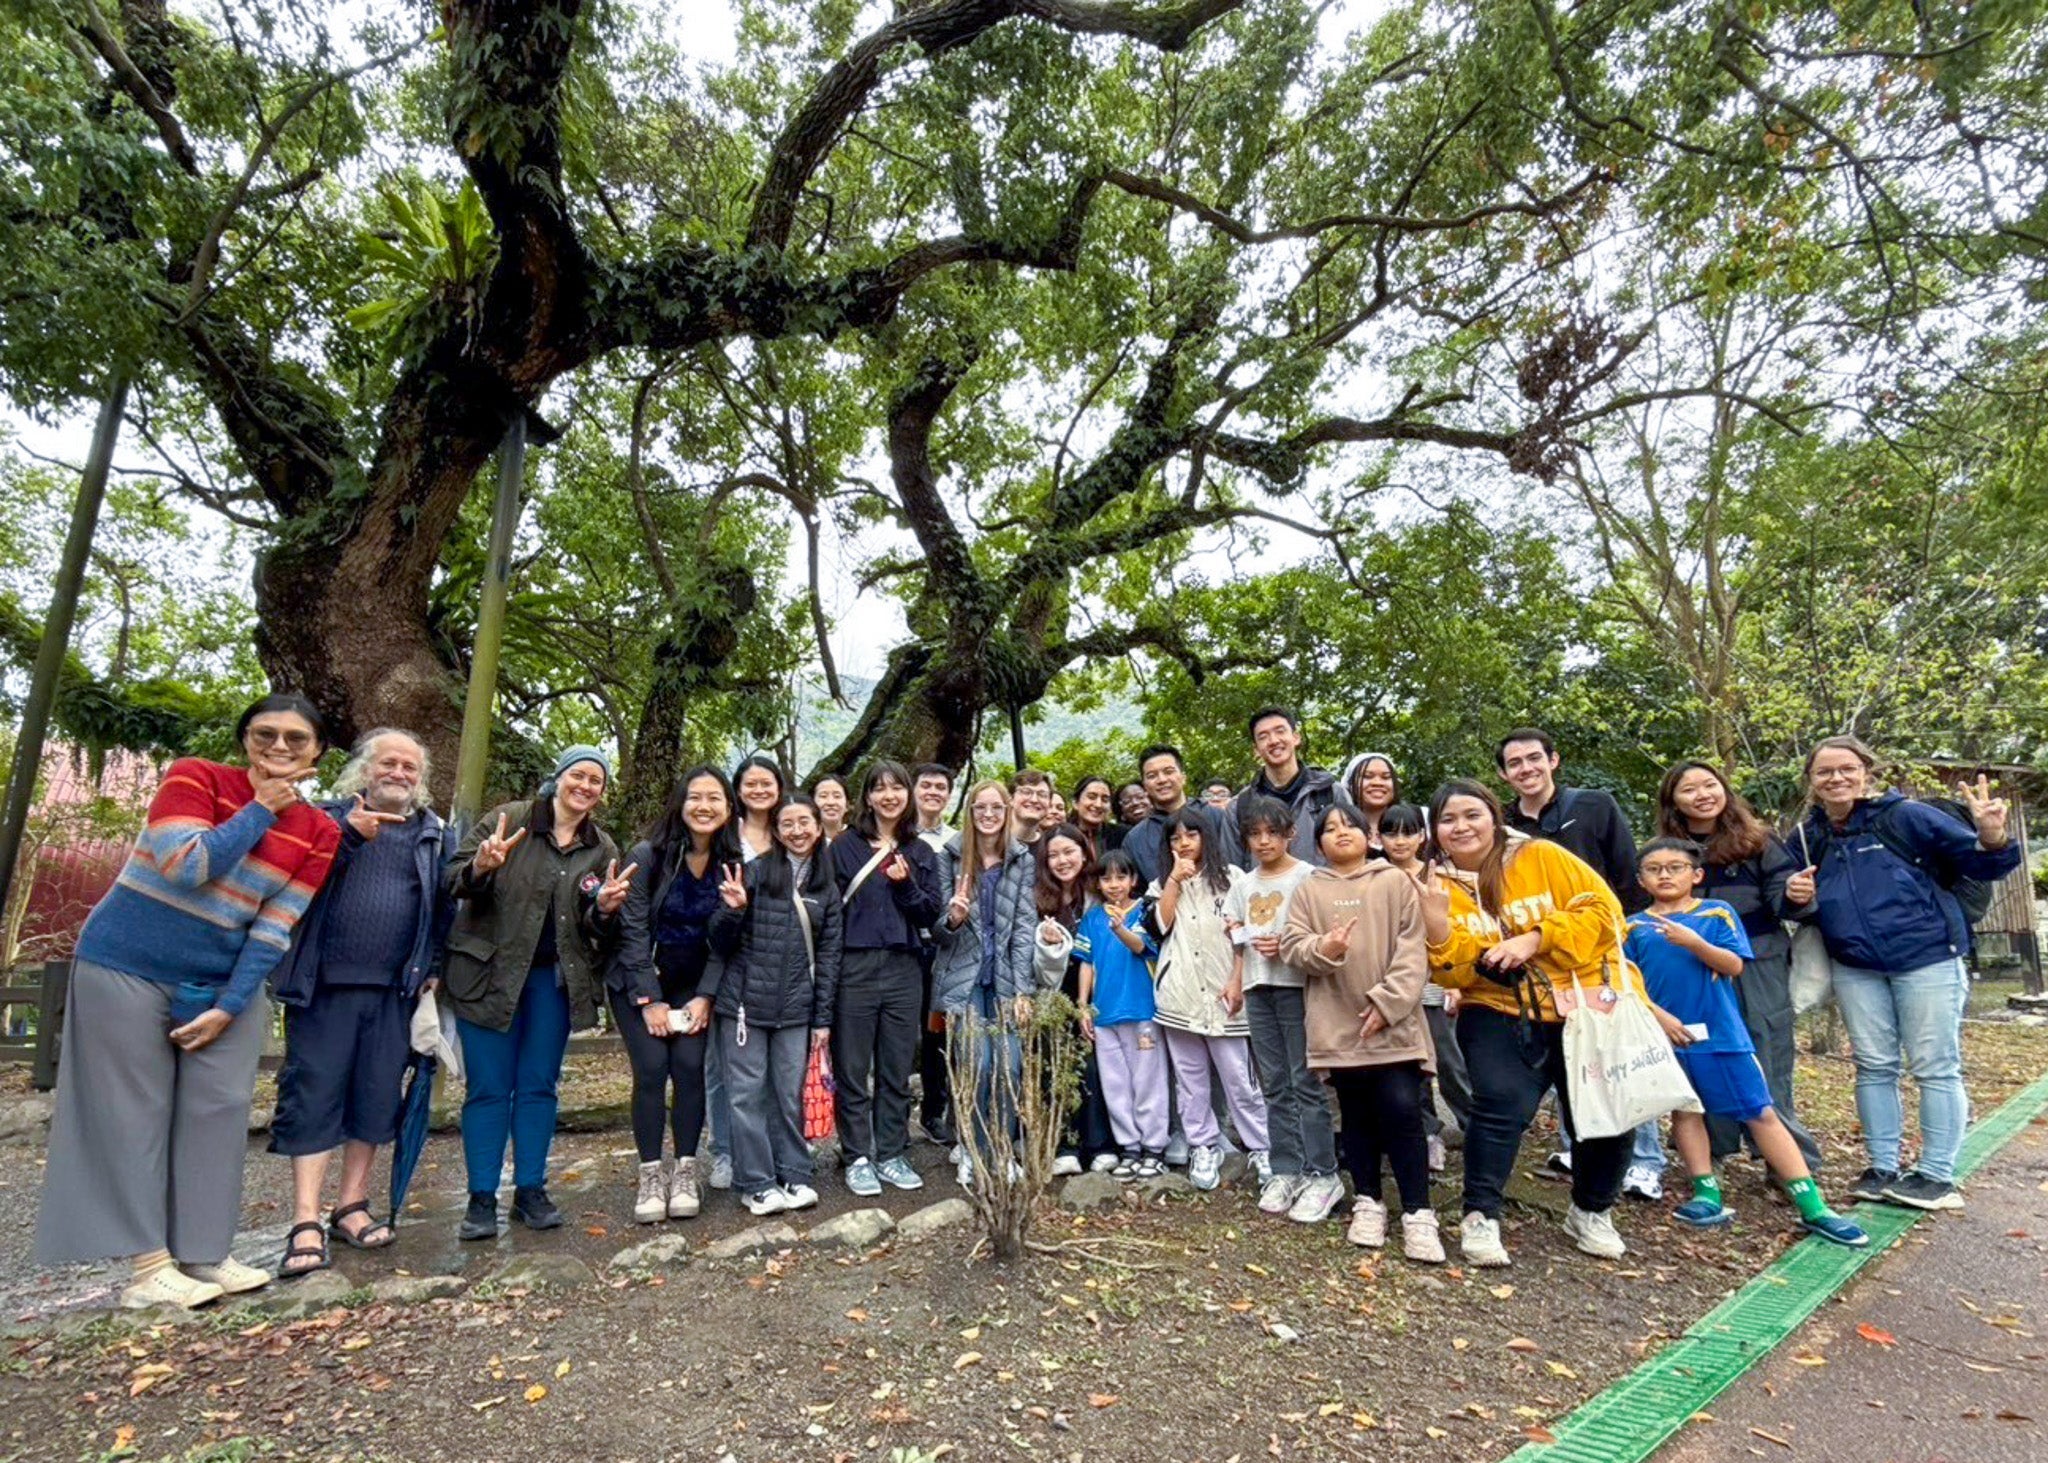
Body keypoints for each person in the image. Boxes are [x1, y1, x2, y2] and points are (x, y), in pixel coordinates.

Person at [36, 693, 341, 1309]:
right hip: (126, 962)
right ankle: (149, 1267)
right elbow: (184, 865)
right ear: (245, 739)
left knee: (219, 1108)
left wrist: (230, 1005)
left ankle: (204, 1252)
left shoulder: (320, 830)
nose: (279, 747)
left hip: (219, 978)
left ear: (318, 752)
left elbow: (275, 924)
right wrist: (260, 809)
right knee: (133, 1109)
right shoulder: (194, 778)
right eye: (266, 734)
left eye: (296, 739)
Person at [1790, 738, 2017, 1211]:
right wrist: (1791, 892)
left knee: (1935, 1066)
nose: (1836, 779)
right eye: (1824, 772)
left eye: (1846, 769)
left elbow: (1984, 862)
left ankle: (1935, 1173)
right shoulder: (1808, 836)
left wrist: (1992, 834)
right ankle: (1882, 1167)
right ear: (1810, 780)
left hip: (1927, 956)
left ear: (1865, 771)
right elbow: (1788, 895)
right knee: (1873, 1066)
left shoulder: (1905, 817)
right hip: (1856, 964)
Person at [1419, 778, 1637, 1266]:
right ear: (1436, 830)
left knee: (1603, 1113)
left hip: (1585, 1004)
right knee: (1500, 1106)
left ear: (1494, 817)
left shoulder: (1540, 857)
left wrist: (1535, 938)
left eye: (1472, 814)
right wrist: (1435, 924)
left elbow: (1606, 913)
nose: (1461, 827)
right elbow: (1450, 969)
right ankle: (1480, 1214)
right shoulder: (1438, 885)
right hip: (1498, 1008)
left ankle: (1591, 1209)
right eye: (1448, 819)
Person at [268, 728, 448, 1277]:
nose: (398, 773)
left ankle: (351, 1204)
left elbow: (442, 909)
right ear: (365, 770)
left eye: (409, 768)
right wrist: (346, 837)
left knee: (375, 1097)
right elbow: (292, 883)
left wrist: (433, 968)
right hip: (324, 983)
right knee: (315, 1091)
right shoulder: (324, 820)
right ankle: (304, 1218)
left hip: (396, 987)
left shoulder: (434, 835)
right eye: (388, 763)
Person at [1624, 839, 1866, 1247]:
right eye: (1654, 868)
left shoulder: (1717, 913)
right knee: (1686, 1111)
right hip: (1664, 1036)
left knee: (1759, 1111)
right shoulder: (1632, 926)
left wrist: (1695, 943)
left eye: (1676, 867)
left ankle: (1813, 1206)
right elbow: (1627, 982)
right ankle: (1706, 1192)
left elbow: (1734, 964)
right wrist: (1659, 1017)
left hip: (1721, 1035)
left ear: (1696, 875)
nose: (1665, 875)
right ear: (1640, 879)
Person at [445, 746, 632, 1241]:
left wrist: (606, 909)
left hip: (553, 984)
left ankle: (530, 1188)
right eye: (579, 774)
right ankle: (481, 1196)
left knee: (538, 1086)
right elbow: (452, 879)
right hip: (488, 976)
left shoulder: (602, 847)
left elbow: (594, 928)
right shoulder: (509, 818)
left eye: (597, 780)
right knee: (487, 1087)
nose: (586, 785)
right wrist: (483, 866)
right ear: (559, 776)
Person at [1280, 803, 1441, 1261]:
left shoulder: (1392, 881)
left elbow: (1414, 949)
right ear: (1318, 844)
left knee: (1402, 1108)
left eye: (1348, 824)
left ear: (1366, 833)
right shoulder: (1309, 889)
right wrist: (1323, 946)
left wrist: (1387, 1003)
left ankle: (1418, 1212)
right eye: (1329, 829)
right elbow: (1293, 946)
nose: (1340, 833)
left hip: (1394, 1023)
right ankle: (1368, 1201)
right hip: (1337, 1022)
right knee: (1354, 1115)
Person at [1496, 727, 1649, 1189]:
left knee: (1618, 1050)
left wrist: (1619, 935)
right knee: (1570, 1056)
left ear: (1553, 760)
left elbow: (1626, 877)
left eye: (1534, 758)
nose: (1527, 769)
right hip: (1537, 963)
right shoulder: (1503, 825)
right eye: (1515, 763)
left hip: (1597, 950)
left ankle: (1643, 1159)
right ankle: (1574, 1145)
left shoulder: (1593, 806)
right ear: (1504, 775)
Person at [1656, 761, 1821, 1173]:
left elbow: (1783, 896)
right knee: (1700, 1050)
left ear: (1725, 790)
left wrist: (1796, 894)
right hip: (1689, 964)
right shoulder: (1666, 850)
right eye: (1689, 789)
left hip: (1756, 958)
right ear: (1673, 801)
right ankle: (1711, 1152)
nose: (1702, 795)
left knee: (1764, 1052)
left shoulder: (1758, 841)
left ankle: (1788, 1164)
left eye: (1710, 785)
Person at [609, 766, 741, 1224]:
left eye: (715, 798)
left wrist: (705, 995)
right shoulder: (649, 855)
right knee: (650, 1069)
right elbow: (630, 928)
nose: (704, 806)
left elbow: (728, 941)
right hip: (641, 978)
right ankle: (650, 1173)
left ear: (728, 808)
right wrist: (650, 999)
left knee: (688, 1069)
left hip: (695, 983)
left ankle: (686, 1169)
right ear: (680, 804)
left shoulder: (733, 862)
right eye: (695, 797)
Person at [704, 794, 840, 1217]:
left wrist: (822, 1021)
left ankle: (794, 1174)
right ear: (777, 831)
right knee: (745, 1095)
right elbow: (719, 940)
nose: (797, 831)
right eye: (788, 824)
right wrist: (733, 912)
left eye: (805, 822)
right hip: (744, 1005)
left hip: (797, 1008)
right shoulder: (757, 872)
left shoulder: (826, 886)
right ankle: (756, 1182)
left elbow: (830, 958)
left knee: (788, 1094)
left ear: (819, 827)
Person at [1221, 796, 1339, 1224]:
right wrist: (1235, 981)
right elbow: (1236, 939)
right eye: (1255, 834)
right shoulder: (1243, 885)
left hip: (1298, 988)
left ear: (1291, 833)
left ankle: (1323, 1172)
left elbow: (1325, 936)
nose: (1264, 841)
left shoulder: (1310, 877)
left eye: (1272, 832)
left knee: (1305, 1081)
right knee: (1273, 1083)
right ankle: (1286, 1169)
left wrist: (1287, 945)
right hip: (1257, 988)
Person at [831, 760, 945, 1195]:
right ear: (867, 797)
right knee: (854, 1067)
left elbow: (930, 913)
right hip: (854, 965)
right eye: (879, 789)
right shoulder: (844, 847)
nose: (889, 796)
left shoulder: (921, 852)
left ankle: (893, 1151)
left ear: (908, 795)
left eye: (897, 787)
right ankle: (858, 1154)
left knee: (897, 1066)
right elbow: (829, 911)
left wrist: (904, 886)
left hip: (904, 966)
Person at [1148, 806, 1270, 1191]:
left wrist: (1237, 979)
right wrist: (1173, 881)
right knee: (1190, 1080)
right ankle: (1203, 1145)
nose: (1183, 843)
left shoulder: (1233, 879)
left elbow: (1243, 937)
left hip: (1225, 994)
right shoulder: (1163, 883)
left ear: (1207, 837)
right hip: (1179, 996)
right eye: (1175, 838)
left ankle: (1261, 1146)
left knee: (1239, 1078)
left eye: (1191, 835)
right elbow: (1159, 928)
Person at [931, 780, 1038, 1187]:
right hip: (965, 978)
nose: (989, 815)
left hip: (1007, 978)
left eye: (996, 807)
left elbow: (1024, 925)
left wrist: (1023, 990)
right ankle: (974, 1152)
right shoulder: (951, 856)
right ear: (970, 812)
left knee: (1009, 1066)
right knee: (979, 1064)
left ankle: (1002, 1149)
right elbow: (940, 930)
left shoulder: (1021, 859)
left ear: (1007, 810)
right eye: (981, 808)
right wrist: (954, 917)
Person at [1378, 803, 1470, 1172]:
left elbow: (1458, 930)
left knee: (1448, 1063)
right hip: (1394, 987)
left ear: (1422, 836)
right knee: (1406, 1066)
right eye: (1391, 832)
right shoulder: (1376, 876)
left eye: (1408, 832)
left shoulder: (1439, 876)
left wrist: (1458, 982)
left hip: (1436, 984)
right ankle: (1426, 1134)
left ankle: (1477, 1129)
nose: (1400, 841)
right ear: (1378, 837)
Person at [1075, 850, 1168, 1178]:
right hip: (1104, 1015)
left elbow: (1142, 947)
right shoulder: (1092, 918)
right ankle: (1129, 1147)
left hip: (1142, 1011)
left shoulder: (1145, 910)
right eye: (1106, 878)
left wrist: (1120, 928)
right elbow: (1086, 963)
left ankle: (1154, 1147)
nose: (1113, 884)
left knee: (1148, 1082)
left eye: (1120, 877)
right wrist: (1083, 1005)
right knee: (1115, 1084)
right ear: (1098, 883)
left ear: (1133, 880)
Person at [1034, 824, 1114, 1173]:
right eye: (1053, 855)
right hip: (1053, 995)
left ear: (1084, 853)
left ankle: (1101, 1144)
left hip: (1098, 995)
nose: (1062, 861)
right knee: (1057, 1065)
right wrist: (1050, 946)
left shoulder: (1101, 894)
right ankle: (1065, 1145)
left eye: (1069, 852)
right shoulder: (1037, 899)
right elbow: (1038, 967)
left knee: (1096, 1068)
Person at [911, 762, 960, 1147]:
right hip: (906, 944)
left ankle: (934, 1112)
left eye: (940, 786)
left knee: (938, 1034)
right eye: (925, 785)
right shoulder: (900, 836)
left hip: (945, 945)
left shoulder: (957, 840)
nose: (932, 792)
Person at [1125, 743, 1243, 887]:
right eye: (1152, 776)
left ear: (1183, 777)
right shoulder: (1135, 839)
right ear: (1144, 786)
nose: (1161, 780)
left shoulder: (1216, 817)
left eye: (1168, 771)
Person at [1237, 707, 1340, 864]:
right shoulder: (1241, 804)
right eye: (1263, 737)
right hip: (1263, 888)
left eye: (1280, 731)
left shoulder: (1331, 792)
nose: (1273, 741)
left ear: (1296, 738)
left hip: (1324, 887)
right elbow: (1232, 869)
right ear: (1256, 750)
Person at [1337, 752, 1401, 860]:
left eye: (1386, 777)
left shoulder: (1420, 820)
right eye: (1367, 777)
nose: (1377, 783)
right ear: (1350, 784)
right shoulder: (1338, 827)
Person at [733, 755, 785, 861]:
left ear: (778, 789)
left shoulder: (791, 829)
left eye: (766, 784)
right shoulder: (727, 831)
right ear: (738, 790)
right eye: (750, 784)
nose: (759, 791)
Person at [1071, 775, 1124, 855]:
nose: (1098, 805)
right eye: (1091, 797)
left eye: (1105, 799)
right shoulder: (1061, 836)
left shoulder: (1123, 835)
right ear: (1075, 803)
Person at [1008, 768, 1053, 846]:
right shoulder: (990, 842)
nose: (1034, 800)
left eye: (1042, 795)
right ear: (1011, 799)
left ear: (1049, 803)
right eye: (1026, 792)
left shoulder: (1050, 847)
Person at [812, 773, 850, 842]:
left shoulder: (860, 839)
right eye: (823, 796)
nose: (831, 802)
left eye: (837, 796)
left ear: (847, 805)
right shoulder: (805, 842)